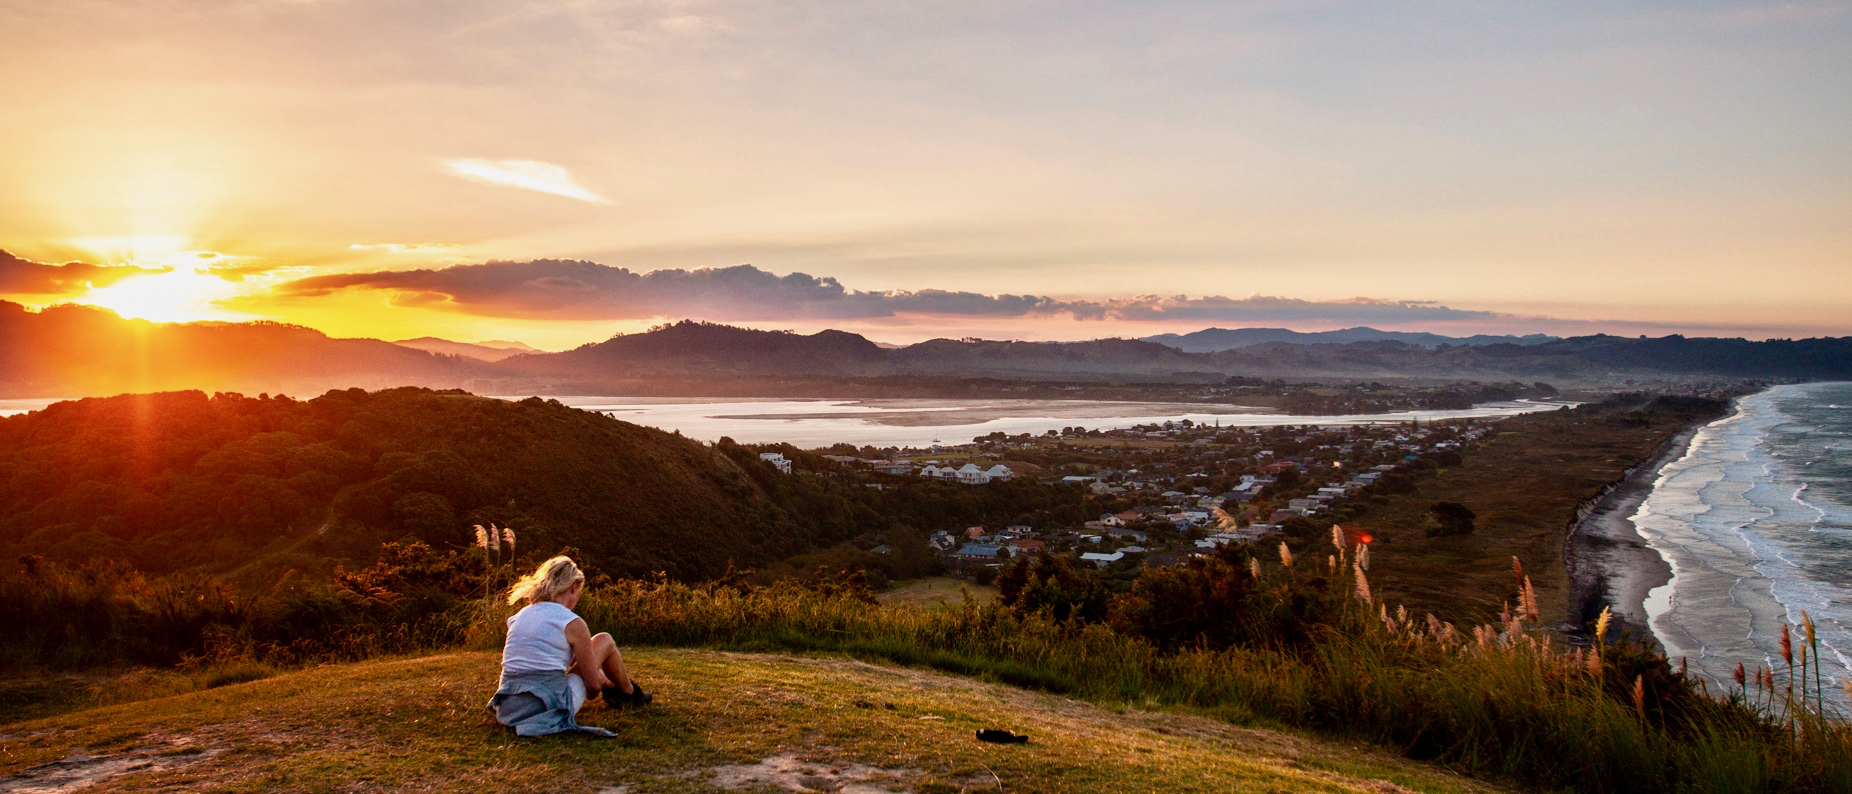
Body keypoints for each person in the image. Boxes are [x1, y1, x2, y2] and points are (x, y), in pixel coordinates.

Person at [487, 556, 650, 736]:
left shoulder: (518, 617)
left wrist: (599, 675)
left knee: (584, 662)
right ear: (573, 588)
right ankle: (629, 694)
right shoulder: (572, 623)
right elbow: (593, 688)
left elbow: (551, 656)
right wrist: (597, 681)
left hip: (509, 707)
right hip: (546, 708)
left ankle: (622, 690)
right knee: (604, 640)